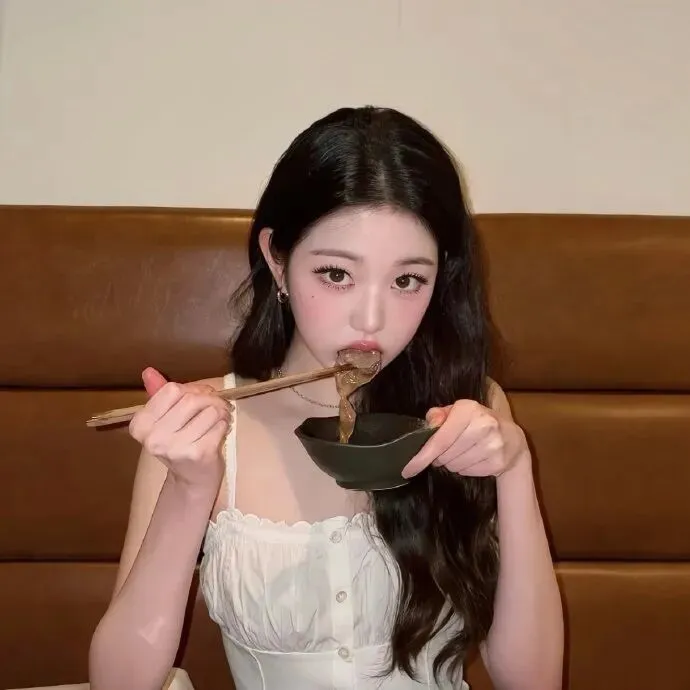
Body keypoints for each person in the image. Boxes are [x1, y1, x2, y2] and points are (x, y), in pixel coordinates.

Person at [89, 106, 564, 690]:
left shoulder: (470, 408)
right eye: (337, 274)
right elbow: (121, 683)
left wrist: (513, 468)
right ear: (277, 259)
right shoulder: (200, 426)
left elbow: (532, 681)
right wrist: (189, 489)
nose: (371, 319)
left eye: (407, 280)